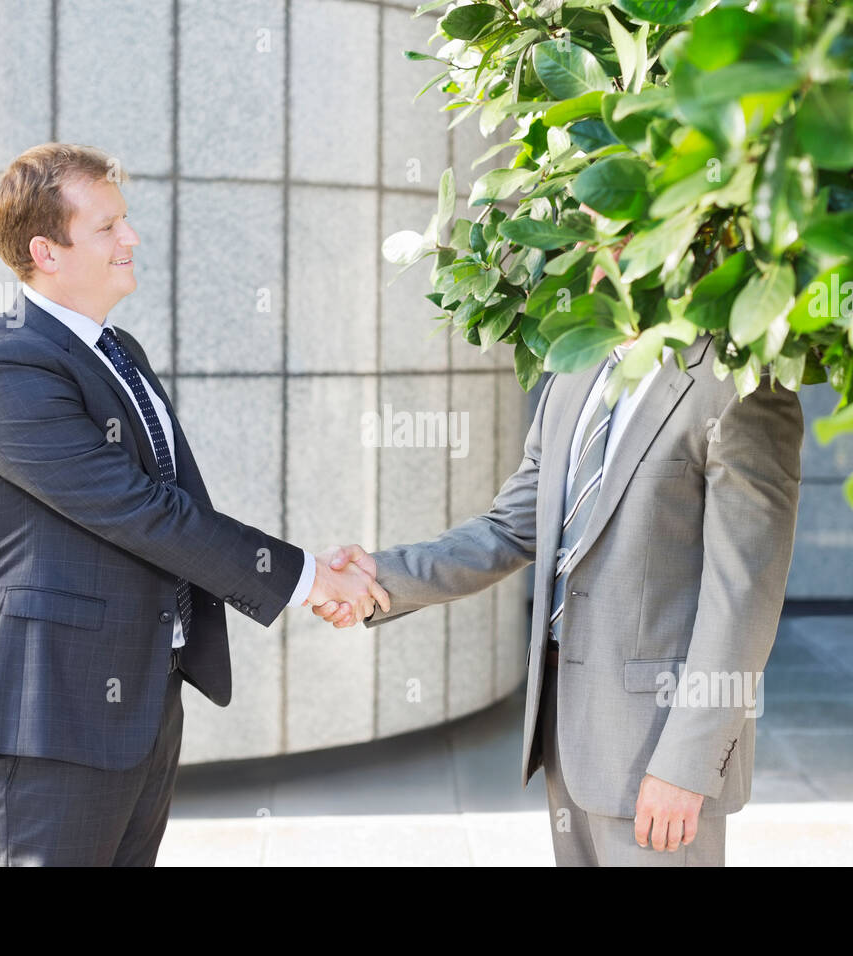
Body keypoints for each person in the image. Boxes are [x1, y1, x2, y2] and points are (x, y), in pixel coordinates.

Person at [0, 142, 387, 866]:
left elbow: (173, 507)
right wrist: (308, 577)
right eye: (108, 227)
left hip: (142, 703)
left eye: (126, 222)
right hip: (55, 716)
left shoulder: (118, 352)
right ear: (45, 252)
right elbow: (142, 512)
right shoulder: (7, 369)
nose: (132, 239)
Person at [315, 331, 803, 866]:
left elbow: (743, 597)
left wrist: (686, 764)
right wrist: (379, 576)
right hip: (565, 723)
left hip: (659, 748)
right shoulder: (577, 368)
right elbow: (510, 527)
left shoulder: (741, 385)